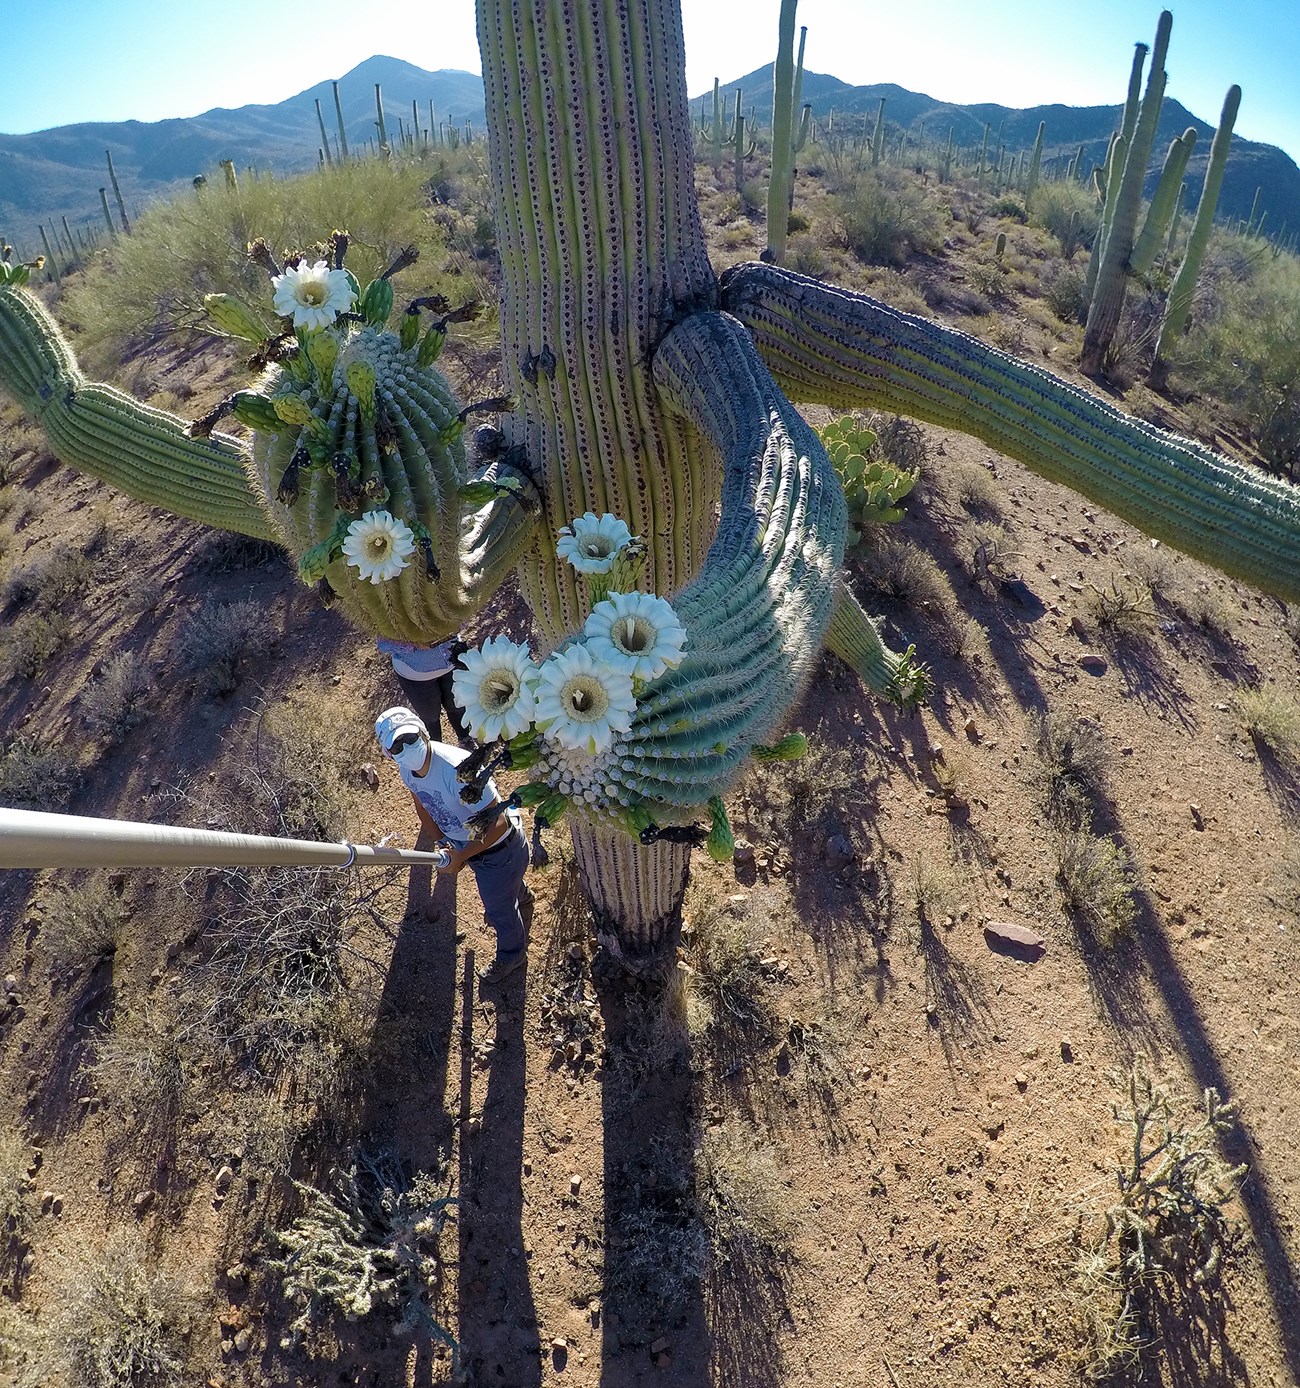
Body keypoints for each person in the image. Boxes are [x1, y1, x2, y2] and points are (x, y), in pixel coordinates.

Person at [375, 705, 531, 986]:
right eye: (396, 746)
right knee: (505, 890)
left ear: (423, 733)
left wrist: (460, 856)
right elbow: (421, 801)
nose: (406, 748)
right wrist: (441, 840)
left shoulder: (456, 770)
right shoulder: (407, 770)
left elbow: (499, 825)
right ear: (388, 755)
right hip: (473, 848)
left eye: (409, 738)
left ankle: (512, 955)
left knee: (499, 911)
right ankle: (519, 894)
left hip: (499, 850)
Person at [375, 636, 472, 746]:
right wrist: (410, 643)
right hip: (415, 675)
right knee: (430, 718)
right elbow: (384, 642)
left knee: (457, 707)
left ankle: (466, 740)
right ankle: (435, 751)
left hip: (453, 660)